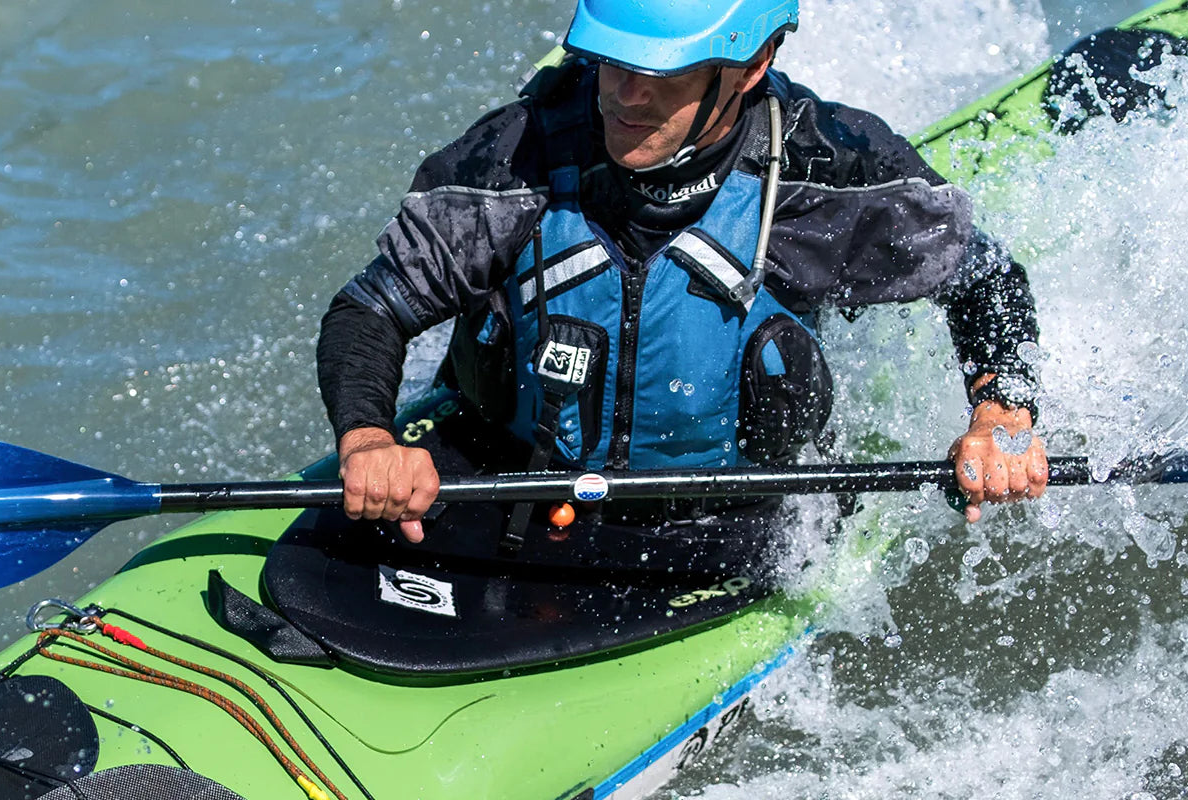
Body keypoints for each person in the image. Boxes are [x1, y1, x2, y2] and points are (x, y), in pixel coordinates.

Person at [317, 0, 1047, 543]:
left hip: (730, 517)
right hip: (502, 478)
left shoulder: (827, 172)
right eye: (611, 61)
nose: (623, 95)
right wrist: (369, 442)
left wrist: (1002, 417)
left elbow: (985, 281)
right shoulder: (514, 157)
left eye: (660, 73)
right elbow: (369, 310)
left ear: (752, 65)